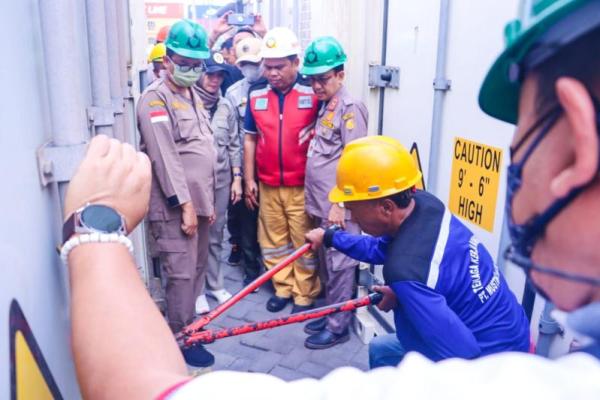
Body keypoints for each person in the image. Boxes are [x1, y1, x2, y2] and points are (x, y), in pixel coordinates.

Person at [63, 1, 600, 398]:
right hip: (501, 339)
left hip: (482, 360)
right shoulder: (427, 209)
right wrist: (339, 239)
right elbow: (390, 254)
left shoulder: (416, 274)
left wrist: (96, 232)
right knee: (383, 348)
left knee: (395, 350)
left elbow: (135, 388)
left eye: (523, 139)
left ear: (577, 145)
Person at [306, 136, 530, 365]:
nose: (350, 216)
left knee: (393, 357)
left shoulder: (406, 271)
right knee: (380, 349)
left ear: (386, 208)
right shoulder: (424, 205)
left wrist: (404, 303)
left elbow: (461, 356)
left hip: (490, 364)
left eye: (353, 209)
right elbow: (381, 249)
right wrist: (330, 237)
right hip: (508, 330)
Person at [136, 19, 216, 367]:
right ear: (167, 59)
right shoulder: (155, 99)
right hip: (174, 207)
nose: (190, 70)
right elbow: (165, 156)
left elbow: (203, 146)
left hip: (198, 204)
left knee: (196, 269)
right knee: (181, 275)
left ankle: (190, 331)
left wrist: (205, 203)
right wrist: (184, 204)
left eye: (196, 64)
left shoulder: (192, 93)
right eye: (183, 63)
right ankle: (179, 341)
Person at [243, 27, 321, 313]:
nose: (272, 73)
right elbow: (250, 137)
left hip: (301, 184)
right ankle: (283, 288)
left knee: (302, 240)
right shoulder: (255, 93)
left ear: (295, 63)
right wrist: (249, 178)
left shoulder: (312, 92)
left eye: (279, 66)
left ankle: (305, 293)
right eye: (268, 66)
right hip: (267, 184)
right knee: (273, 241)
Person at [300, 36, 368, 349]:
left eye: (323, 79)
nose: (316, 86)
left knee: (340, 261)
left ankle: (338, 326)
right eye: (312, 79)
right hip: (320, 201)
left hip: (337, 205)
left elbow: (354, 159)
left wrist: (340, 202)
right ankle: (330, 312)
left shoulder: (351, 107)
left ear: (340, 74)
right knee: (327, 260)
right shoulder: (328, 103)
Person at [192, 52, 240, 313]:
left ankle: (215, 284)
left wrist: (237, 178)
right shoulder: (187, 103)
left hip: (222, 179)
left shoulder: (226, 105)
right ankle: (197, 290)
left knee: (216, 234)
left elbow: (234, 143)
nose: (214, 79)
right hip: (197, 184)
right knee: (196, 237)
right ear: (200, 74)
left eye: (219, 75)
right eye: (210, 73)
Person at [225, 37, 264, 286]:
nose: (249, 68)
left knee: (272, 221)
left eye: (254, 63)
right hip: (246, 164)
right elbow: (234, 137)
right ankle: (251, 270)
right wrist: (239, 175)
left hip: (272, 165)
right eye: (244, 64)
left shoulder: (274, 88)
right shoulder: (233, 93)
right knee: (247, 219)